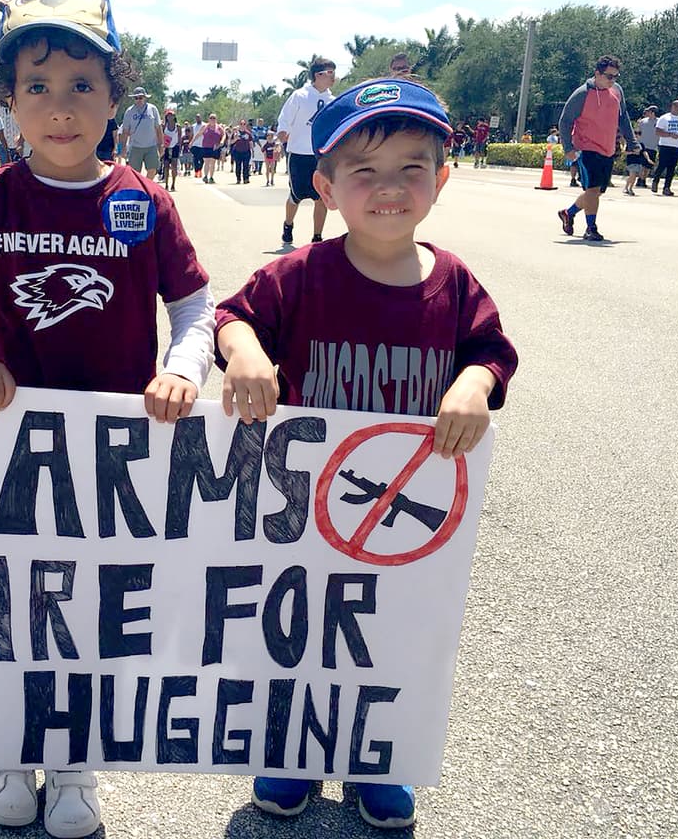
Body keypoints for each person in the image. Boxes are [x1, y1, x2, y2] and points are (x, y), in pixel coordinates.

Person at [0, 0, 215, 839]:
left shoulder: (142, 199)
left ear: (116, 95)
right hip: (4, 448)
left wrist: (183, 367)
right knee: (13, 600)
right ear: (5, 101)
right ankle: (9, 746)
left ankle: (77, 759)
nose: (61, 107)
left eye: (83, 86)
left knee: (93, 605)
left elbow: (194, 305)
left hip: (115, 455)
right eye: (37, 87)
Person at [214, 76, 517, 831]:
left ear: (442, 180)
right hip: (301, 513)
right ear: (326, 185)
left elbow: (491, 350)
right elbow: (231, 317)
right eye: (365, 172)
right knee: (296, 633)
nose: (389, 189)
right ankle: (288, 748)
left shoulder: (453, 285)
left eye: (412, 168)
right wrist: (245, 350)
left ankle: (376, 756)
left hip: (401, 523)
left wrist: (475, 383)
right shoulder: (299, 275)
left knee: (390, 636)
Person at [556, 55, 637, 242]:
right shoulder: (582, 94)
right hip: (585, 147)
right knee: (592, 189)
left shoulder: (617, 91)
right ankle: (591, 228)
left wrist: (632, 143)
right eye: (609, 76)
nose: (613, 80)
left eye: (616, 76)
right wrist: (568, 147)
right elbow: (565, 121)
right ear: (597, 74)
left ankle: (569, 212)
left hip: (607, 148)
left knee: (597, 191)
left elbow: (623, 118)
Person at [276, 55, 336, 245]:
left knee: (321, 196)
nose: (333, 77)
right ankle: (288, 224)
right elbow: (285, 117)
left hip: (320, 155)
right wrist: (282, 132)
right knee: (296, 194)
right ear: (317, 75)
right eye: (329, 73)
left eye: (334, 73)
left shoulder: (332, 100)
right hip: (299, 153)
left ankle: (317, 237)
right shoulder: (299, 95)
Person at [119, 85, 163, 175]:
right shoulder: (129, 111)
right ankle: (139, 187)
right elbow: (125, 132)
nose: (139, 100)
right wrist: (121, 149)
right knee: (135, 173)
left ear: (145, 98)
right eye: (136, 98)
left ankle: (146, 186)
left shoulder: (152, 109)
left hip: (151, 146)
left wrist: (161, 145)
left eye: (141, 97)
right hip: (135, 146)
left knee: (153, 169)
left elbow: (158, 129)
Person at [650, 100, 678, 196]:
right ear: (673, 106)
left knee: (672, 167)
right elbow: (658, 132)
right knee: (662, 165)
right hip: (665, 145)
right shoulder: (664, 118)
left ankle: (667, 187)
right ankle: (655, 181)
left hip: (677, 146)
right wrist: (669, 134)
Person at [229, 117, 256, 183]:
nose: (242, 125)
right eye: (241, 124)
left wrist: (252, 150)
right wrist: (235, 139)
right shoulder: (236, 133)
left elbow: (251, 142)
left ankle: (245, 178)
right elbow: (230, 142)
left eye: (244, 124)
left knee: (246, 166)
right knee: (238, 166)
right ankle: (238, 179)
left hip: (246, 151)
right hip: (237, 151)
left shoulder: (248, 133)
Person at [198, 113, 223, 183]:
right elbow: (199, 134)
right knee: (206, 161)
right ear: (208, 119)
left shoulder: (219, 127)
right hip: (206, 146)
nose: (212, 119)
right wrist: (192, 142)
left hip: (215, 147)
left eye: (214, 118)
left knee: (213, 162)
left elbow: (223, 135)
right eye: (211, 118)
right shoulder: (205, 127)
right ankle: (205, 176)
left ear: (216, 119)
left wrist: (222, 141)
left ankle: (211, 177)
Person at [160, 108, 181, 190]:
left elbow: (179, 138)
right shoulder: (164, 126)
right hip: (166, 147)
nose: (170, 117)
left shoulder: (178, 126)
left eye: (171, 115)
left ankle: (173, 184)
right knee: (166, 166)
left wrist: (179, 147)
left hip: (175, 146)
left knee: (174, 166)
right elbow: (161, 136)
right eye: (168, 115)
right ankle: (166, 184)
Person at [636, 105, 659, 172]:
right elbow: (638, 132)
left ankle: (643, 180)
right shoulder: (642, 121)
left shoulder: (659, 121)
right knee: (642, 165)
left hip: (653, 147)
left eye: (648, 111)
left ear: (653, 112)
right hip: (643, 147)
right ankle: (640, 181)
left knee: (648, 166)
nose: (647, 113)